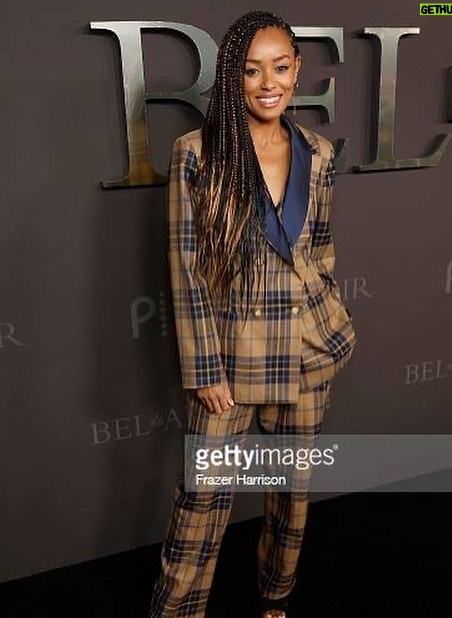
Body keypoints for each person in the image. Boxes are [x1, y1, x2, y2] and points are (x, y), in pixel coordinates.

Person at [149, 10, 356, 618]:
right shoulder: (196, 153)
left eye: (282, 66)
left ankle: (275, 596)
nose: (269, 82)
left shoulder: (317, 152)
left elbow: (321, 249)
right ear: (231, 76)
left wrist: (328, 326)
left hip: (307, 350)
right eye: (251, 69)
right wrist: (204, 368)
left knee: (291, 495)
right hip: (230, 362)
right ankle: (178, 611)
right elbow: (184, 269)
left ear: (297, 70)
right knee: (202, 499)